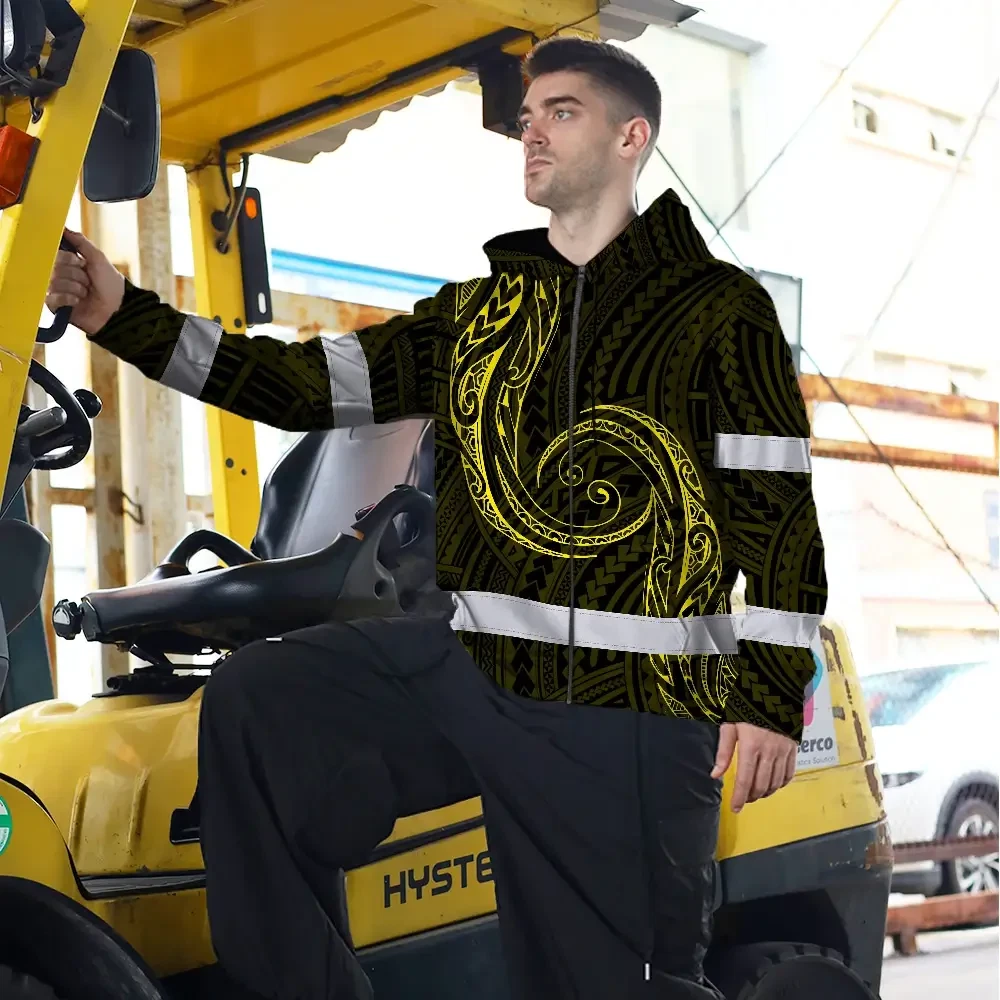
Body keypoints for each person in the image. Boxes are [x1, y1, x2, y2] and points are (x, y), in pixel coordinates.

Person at [46, 36, 827, 1000]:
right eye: (529, 115)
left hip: (625, 698)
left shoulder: (718, 313)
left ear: (633, 139)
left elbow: (775, 509)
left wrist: (768, 690)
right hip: (471, 663)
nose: (532, 131)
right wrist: (121, 314)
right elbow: (295, 384)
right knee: (262, 701)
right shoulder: (478, 318)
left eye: (563, 112)